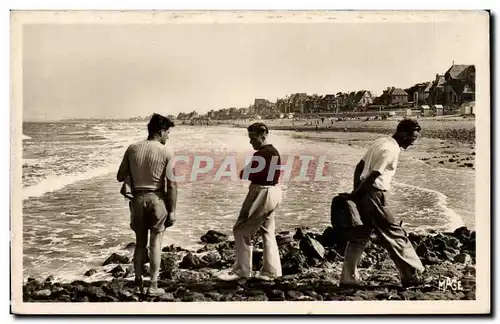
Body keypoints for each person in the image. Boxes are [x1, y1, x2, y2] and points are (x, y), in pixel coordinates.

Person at [340, 119, 426, 288]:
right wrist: (356, 194)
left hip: (365, 193)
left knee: (360, 236)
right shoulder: (391, 149)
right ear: (402, 134)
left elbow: (360, 166)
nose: (412, 143)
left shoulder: (380, 142)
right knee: (394, 233)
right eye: (411, 139)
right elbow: (374, 175)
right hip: (374, 194)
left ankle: (347, 278)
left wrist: (356, 191)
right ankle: (412, 274)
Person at [117, 113, 177, 295]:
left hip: (137, 201)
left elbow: (120, 175)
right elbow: (172, 184)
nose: (168, 136)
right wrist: (172, 211)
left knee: (140, 243)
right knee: (156, 243)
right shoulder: (167, 152)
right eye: (167, 132)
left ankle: (137, 283)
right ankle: (153, 285)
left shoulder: (132, 148)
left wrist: (133, 178)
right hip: (157, 200)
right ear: (160, 131)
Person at [217, 122, 283, 281]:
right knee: (267, 231)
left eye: (253, 138)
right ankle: (271, 271)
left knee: (241, 230)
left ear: (263, 136)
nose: (251, 141)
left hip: (261, 192)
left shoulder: (262, 154)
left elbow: (246, 174)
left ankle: (242, 271)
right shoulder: (273, 152)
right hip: (274, 191)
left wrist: (244, 171)